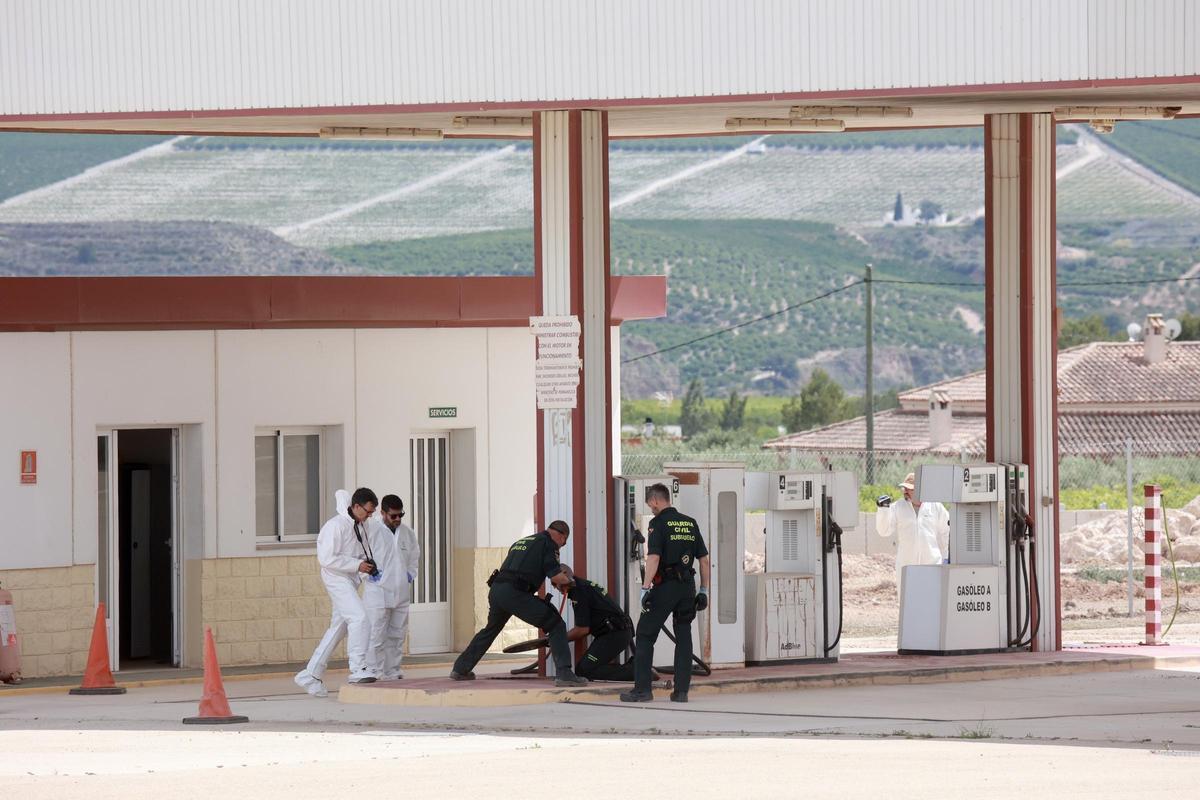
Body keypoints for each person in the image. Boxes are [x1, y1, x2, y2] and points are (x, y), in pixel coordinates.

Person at [449, 521, 587, 687]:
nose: (561, 546)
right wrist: (571, 582)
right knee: (556, 624)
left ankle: (461, 669)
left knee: (490, 630)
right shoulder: (549, 544)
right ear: (561, 536)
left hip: (497, 591)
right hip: (515, 593)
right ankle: (565, 673)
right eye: (563, 543)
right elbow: (556, 576)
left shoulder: (523, 541)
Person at [620, 483, 710, 704]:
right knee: (684, 636)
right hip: (688, 587)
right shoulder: (690, 523)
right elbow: (705, 561)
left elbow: (653, 558)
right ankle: (681, 692)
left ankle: (642, 690)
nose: (650, 507)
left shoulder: (657, 523)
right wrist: (703, 590)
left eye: (650, 503)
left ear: (655, 501)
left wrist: (645, 588)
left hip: (666, 587)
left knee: (644, 635)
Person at [294, 487, 379, 697]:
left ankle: (311, 674)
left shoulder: (361, 525)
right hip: (336, 577)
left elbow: (360, 553)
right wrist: (357, 564)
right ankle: (358, 668)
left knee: (339, 628)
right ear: (356, 506)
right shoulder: (335, 526)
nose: (370, 515)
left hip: (350, 579)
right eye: (367, 511)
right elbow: (326, 559)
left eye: (372, 512)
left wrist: (366, 569)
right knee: (359, 619)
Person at [363, 495, 421, 681]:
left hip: (401, 592)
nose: (397, 519)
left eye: (400, 515)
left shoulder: (407, 533)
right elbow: (361, 554)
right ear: (383, 513)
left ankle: (392, 670)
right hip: (377, 591)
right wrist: (371, 575)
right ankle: (373, 670)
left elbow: (414, 557)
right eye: (393, 516)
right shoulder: (372, 530)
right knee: (376, 633)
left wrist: (409, 575)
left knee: (397, 634)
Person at [875, 471, 951, 591]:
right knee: (907, 604)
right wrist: (883, 510)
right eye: (905, 488)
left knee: (932, 602)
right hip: (907, 566)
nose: (905, 491)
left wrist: (946, 557)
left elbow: (947, 532)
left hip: (931, 566)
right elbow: (884, 531)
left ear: (921, 489)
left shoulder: (935, 507)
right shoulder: (898, 507)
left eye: (910, 488)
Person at [558, 566, 637, 682]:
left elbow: (582, 629)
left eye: (554, 583)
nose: (555, 587)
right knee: (584, 668)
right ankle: (634, 666)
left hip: (615, 634)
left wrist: (558, 639)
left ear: (564, 573)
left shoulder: (579, 591)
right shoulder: (582, 586)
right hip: (616, 632)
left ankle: (639, 671)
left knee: (584, 670)